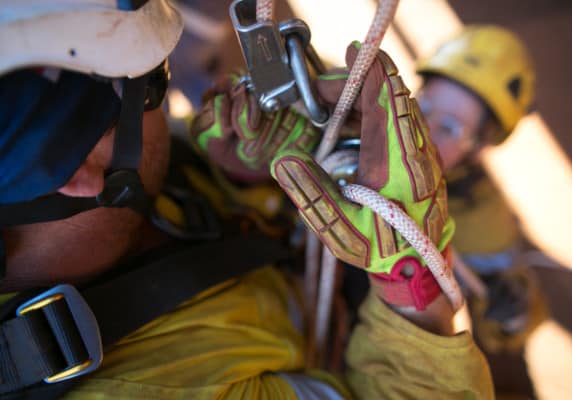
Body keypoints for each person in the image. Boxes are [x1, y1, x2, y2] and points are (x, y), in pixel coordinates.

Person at [0, 1, 493, 398]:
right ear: (77, 171)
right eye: (151, 85)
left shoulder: (100, 215)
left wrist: (239, 181)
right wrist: (412, 293)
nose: (167, 108)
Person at [415, 25, 547, 395]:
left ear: (477, 149)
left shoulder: (480, 223)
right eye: (424, 104)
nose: (424, 128)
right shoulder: (355, 127)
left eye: (450, 127)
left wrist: (511, 314)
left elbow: (507, 352)